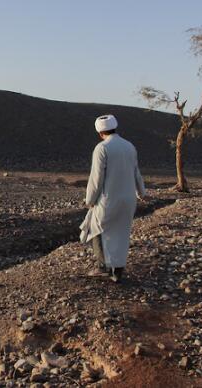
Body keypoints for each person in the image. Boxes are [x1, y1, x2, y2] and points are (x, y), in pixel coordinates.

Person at [79, 114, 146, 283]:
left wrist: (90, 200)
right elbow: (136, 171)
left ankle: (104, 267)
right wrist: (141, 192)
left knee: (97, 229)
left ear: (100, 131)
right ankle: (118, 271)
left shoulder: (102, 148)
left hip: (109, 199)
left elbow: (96, 178)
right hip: (129, 199)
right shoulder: (129, 146)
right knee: (121, 234)